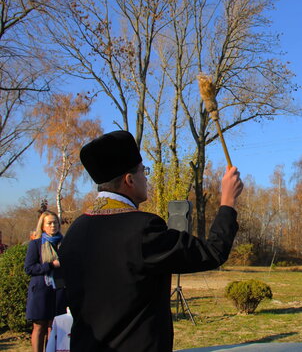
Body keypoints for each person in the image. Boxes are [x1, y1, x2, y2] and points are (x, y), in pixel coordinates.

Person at [59, 130, 243, 352]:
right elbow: (213, 252)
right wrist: (228, 201)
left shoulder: (75, 231)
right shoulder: (142, 229)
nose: (146, 178)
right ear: (129, 180)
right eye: (143, 171)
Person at [24, 210, 67, 352]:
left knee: (53, 326)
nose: (53, 225)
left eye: (55, 222)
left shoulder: (64, 243)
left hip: (59, 288)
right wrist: (50, 265)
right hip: (41, 291)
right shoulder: (36, 244)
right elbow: (29, 268)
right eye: (49, 223)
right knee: (39, 326)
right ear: (42, 226)